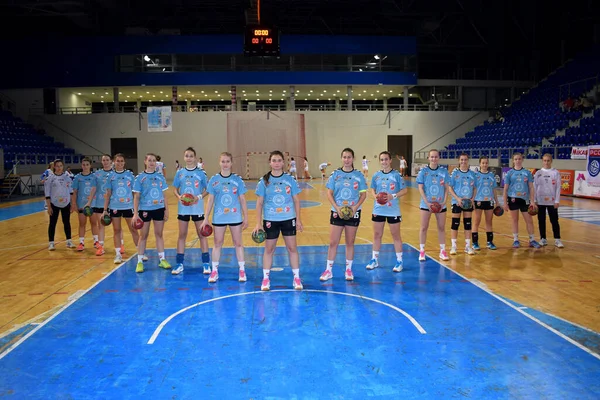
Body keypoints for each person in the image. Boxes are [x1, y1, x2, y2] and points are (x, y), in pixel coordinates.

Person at [253, 150, 303, 291]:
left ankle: (297, 278)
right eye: (274, 160)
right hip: (270, 220)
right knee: (269, 249)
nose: (276, 163)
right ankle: (266, 279)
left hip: (288, 219)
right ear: (270, 162)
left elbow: (296, 201)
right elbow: (259, 203)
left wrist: (298, 219)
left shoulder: (290, 179)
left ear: (283, 162)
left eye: (279, 160)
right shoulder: (264, 181)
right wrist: (258, 223)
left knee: (292, 248)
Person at [319, 148, 367, 282]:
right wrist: (337, 208)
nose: (347, 160)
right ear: (341, 158)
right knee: (333, 242)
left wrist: (355, 208)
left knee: (350, 242)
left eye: (349, 157)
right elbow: (329, 193)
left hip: (353, 212)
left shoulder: (359, 175)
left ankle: (349, 270)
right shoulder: (335, 174)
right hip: (337, 211)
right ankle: (328, 270)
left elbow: (363, 194)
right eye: (344, 157)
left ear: (353, 159)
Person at [202, 152, 249, 282]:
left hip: (235, 217)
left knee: (238, 243)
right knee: (217, 244)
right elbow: (210, 200)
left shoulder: (237, 179)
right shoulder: (214, 180)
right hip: (219, 217)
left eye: (228, 161)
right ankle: (214, 271)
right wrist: (206, 218)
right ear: (219, 162)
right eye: (223, 161)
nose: (225, 164)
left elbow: (243, 200)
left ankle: (242, 271)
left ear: (231, 163)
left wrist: (246, 217)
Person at [171, 147, 212, 275]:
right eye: (187, 156)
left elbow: (208, 189)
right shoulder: (180, 173)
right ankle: (179, 264)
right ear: (184, 158)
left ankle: (206, 264)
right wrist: (180, 197)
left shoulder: (201, 173)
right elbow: (174, 189)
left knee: (202, 235)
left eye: (191, 156)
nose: (189, 158)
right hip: (183, 208)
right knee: (182, 235)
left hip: (197, 208)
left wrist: (198, 197)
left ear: (195, 158)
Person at [365, 151, 407, 272]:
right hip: (378, 209)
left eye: (386, 159)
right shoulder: (376, 175)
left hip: (393, 210)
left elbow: (404, 191)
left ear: (390, 161)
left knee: (396, 236)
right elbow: (372, 188)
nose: (384, 162)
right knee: (377, 235)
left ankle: (399, 261)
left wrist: (392, 196)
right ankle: (374, 259)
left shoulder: (397, 175)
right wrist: (375, 196)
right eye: (382, 160)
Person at [132, 153, 171, 273]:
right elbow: (136, 196)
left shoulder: (160, 177)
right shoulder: (140, 177)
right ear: (145, 162)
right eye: (149, 160)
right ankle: (139, 262)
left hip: (159, 208)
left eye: (154, 161)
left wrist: (166, 209)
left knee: (159, 234)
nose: (152, 162)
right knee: (143, 236)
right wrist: (135, 213)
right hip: (145, 210)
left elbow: (164, 195)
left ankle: (162, 259)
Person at [103, 154, 140, 264]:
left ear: (124, 162)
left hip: (128, 206)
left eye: (122, 161)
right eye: (117, 161)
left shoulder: (130, 175)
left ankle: (140, 253)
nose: (119, 163)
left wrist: (137, 209)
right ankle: (118, 254)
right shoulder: (110, 176)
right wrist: (105, 210)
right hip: (115, 207)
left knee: (133, 229)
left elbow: (135, 193)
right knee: (116, 230)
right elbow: (108, 194)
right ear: (114, 162)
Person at [416, 149, 451, 262]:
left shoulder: (443, 171)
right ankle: (422, 251)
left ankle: (442, 251)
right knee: (423, 227)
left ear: (438, 158)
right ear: (428, 158)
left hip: (440, 204)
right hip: (426, 204)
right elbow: (420, 188)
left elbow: (447, 188)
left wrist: (444, 201)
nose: (434, 159)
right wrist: (427, 203)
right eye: (432, 157)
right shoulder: (423, 171)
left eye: (436, 157)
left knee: (441, 227)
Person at [503, 152, 541, 248]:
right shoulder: (509, 173)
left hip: (525, 200)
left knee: (529, 220)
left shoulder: (527, 173)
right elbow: (505, 189)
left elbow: (531, 188)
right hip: (513, 199)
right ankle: (516, 240)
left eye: (519, 159)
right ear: (513, 161)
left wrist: (532, 201)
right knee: (515, 220)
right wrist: (505, 203)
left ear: (522, 160)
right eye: (516, 159)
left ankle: (532, 240)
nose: (518, 161)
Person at [448, 153, 477, 256]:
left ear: (468, 161)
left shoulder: (472, 174)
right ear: (459, 161)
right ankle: (453, 246)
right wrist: (457, 198)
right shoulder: (454, 173)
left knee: (467, 224)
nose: (463, 161)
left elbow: (474, 188)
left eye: (465, 160)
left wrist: (472, 199)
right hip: (457, 202)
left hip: (468, 203)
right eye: (462, 160)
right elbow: (450, 188)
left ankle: (468, 246)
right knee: (455, 223)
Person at [44, 159, 75, 250]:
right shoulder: (50, 178)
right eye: (57, 166)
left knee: (66, 222)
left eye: (61, 166)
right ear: (54, 167)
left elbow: (71, 191)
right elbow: (47, 193)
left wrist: (73, 204)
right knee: (52, 223)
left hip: (66, 203)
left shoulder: (67, 177)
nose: (59, 168)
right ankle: (51, 243)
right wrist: (49, 206)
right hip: (54, 204)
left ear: (63, 166)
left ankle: (69, 241)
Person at [534, 154, 564, 248]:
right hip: (540, 201)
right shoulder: (538, 173)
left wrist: (557, 201)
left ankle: (557, 239)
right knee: (541, 220)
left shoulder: (556, 173)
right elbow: (534, 187)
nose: (546, 162)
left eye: (548, 161)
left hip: (552, 201)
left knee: (554, 220)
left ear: (551, 161)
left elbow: (558, 187)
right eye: (544, 160)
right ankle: (543, 239)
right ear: (542, 161)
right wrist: (534, 200)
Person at [472, 156, 500, 250]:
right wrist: (472, 200)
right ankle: (475, 243)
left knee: (489, 222)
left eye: (486, 163)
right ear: (480, 164)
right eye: (483, 163)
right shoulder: (476, 175)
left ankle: (489, 242)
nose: (484, 165)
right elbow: (473, 189)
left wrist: (497, 202)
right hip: (478, 201)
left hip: (489, 201)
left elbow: (494, 190)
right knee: (476, 221)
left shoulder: (491, 175)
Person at [88, 154, 113, 256]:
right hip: (100, 203)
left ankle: (121, 246)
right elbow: (93, 189)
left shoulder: (115, 173)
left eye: (107, 160)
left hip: (113, 204)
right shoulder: (97, 174)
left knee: (117, 227)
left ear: (111, 161)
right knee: (101, 225)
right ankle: (101, 247)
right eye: (103, 160)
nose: (105, 162)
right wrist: (89, 202)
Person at [71, 157, 97, 251]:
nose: (85, 166)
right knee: (82, 223)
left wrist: (91, 202)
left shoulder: (94, 177)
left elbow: (95, 189)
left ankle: (96, 241)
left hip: (92, 204)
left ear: (90, 165)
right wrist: (74, 204)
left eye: (87, 164)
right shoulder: (77, 177)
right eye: (83, 165)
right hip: (81, 204)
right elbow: (74, 191)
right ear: (81, 165)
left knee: (94, 223)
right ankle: (81, 243)